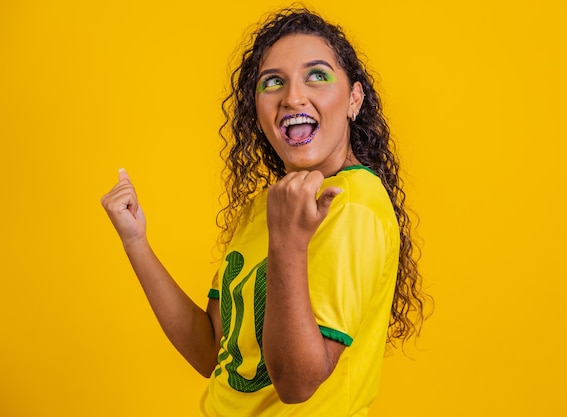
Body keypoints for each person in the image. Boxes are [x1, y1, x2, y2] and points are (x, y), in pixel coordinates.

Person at [101, 7, 430, 417]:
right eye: (273, 82)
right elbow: (210, 350)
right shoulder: (268, 206)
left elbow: (296, 384)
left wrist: (287, 242)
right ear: (256, 112)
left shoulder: (355, 203)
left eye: (317, 75)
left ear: (354, 99)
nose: (293, 96)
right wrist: (136, 242)